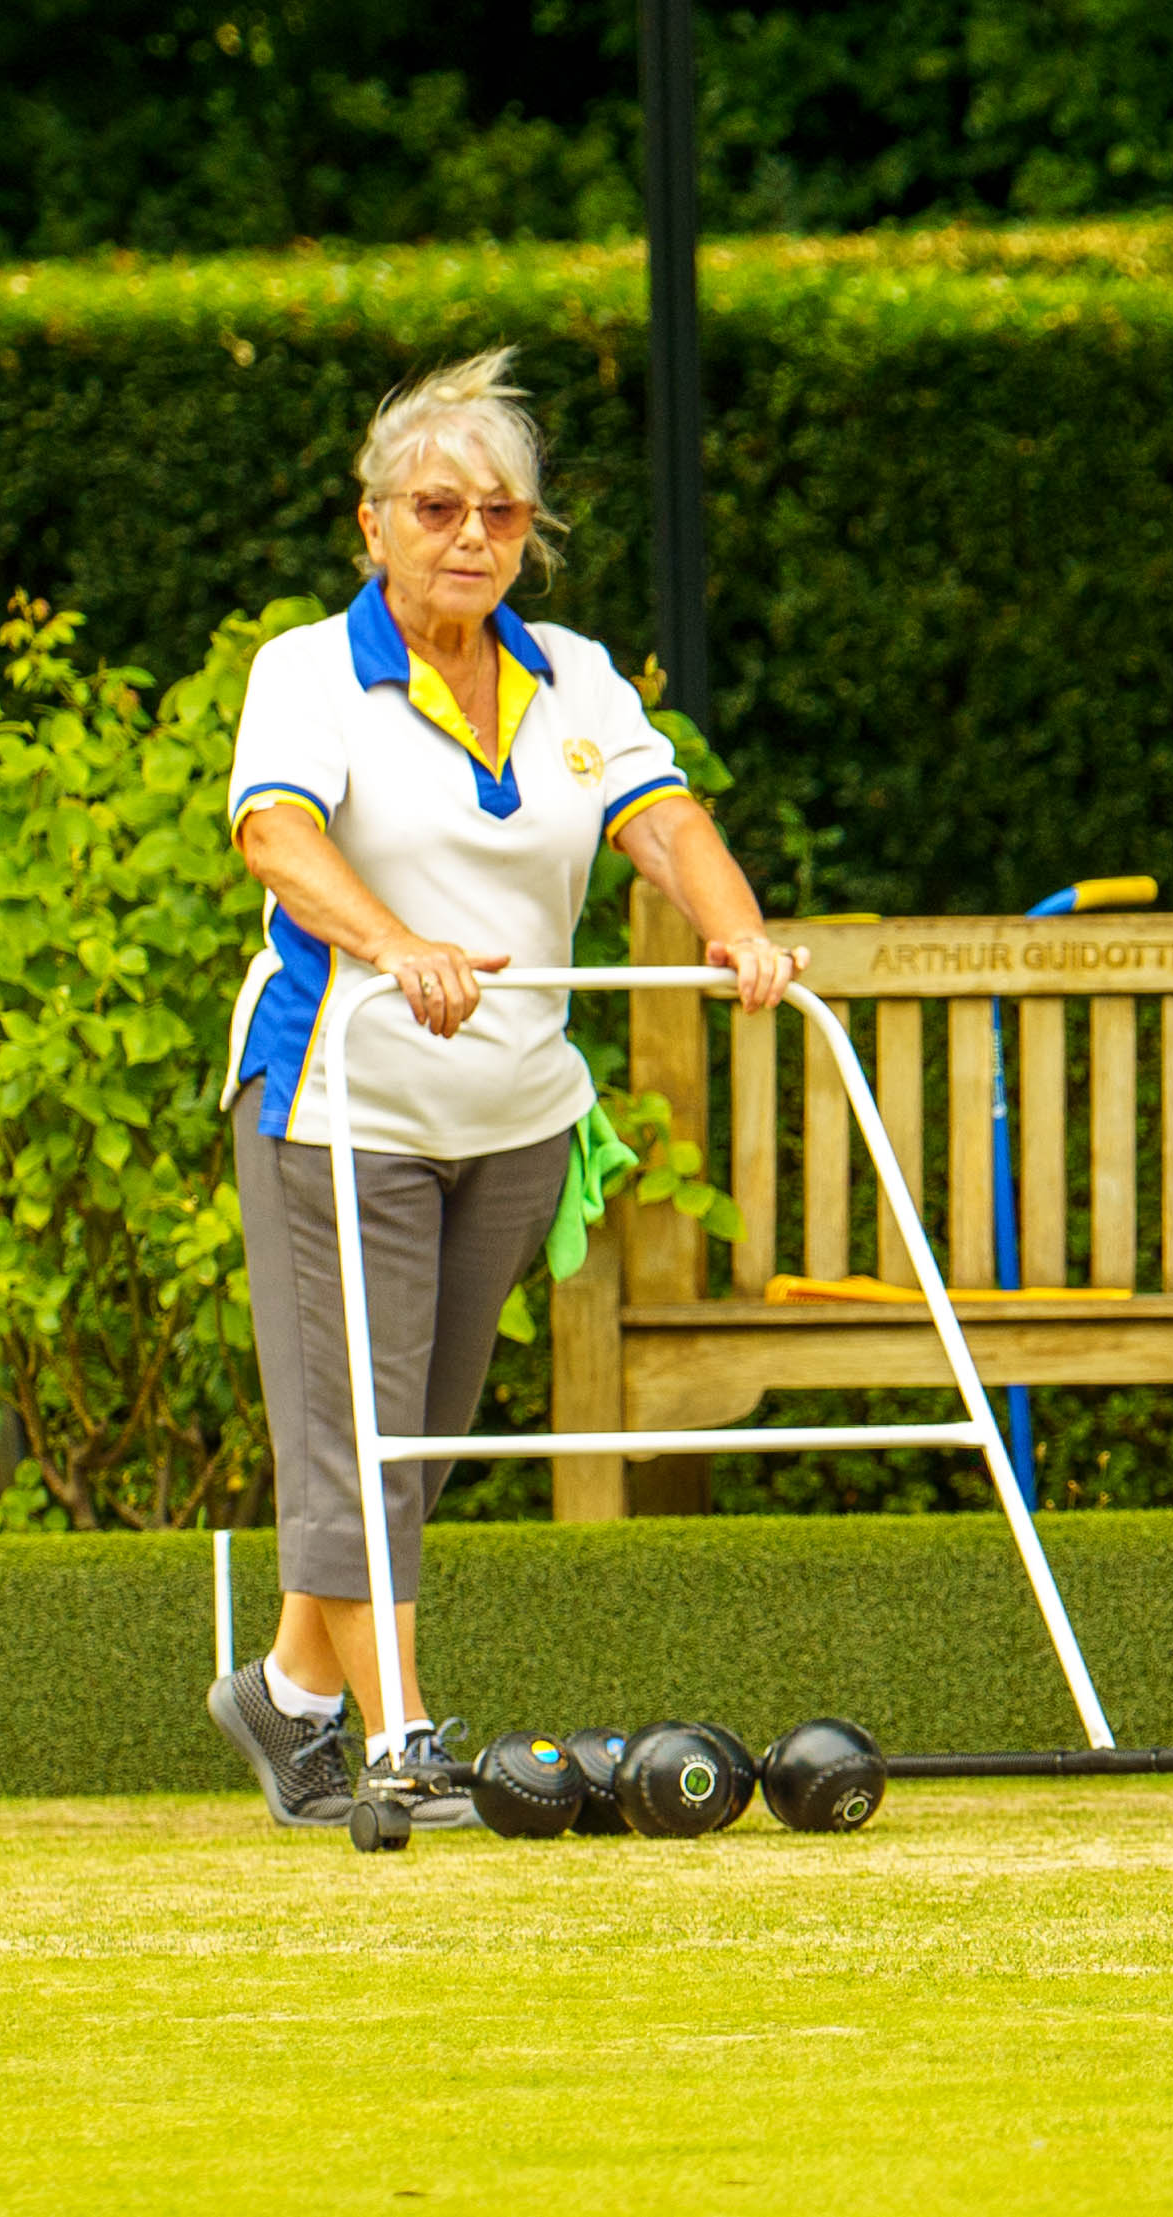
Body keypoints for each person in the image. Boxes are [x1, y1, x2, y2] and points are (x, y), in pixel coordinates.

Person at [205, 349, 806, 1828]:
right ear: (373, 523)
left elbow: (663, 822)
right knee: (356, 1439)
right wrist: (397, 945)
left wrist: (736, 929)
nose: (471, 535)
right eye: (437, 508)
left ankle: (285, 1694)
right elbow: (275, 836)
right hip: (338, 1106)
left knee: (420, 1437)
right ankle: (400, 1740)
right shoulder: (308, 672)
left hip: (516, 1116)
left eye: (502, 513)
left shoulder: (573, 676)